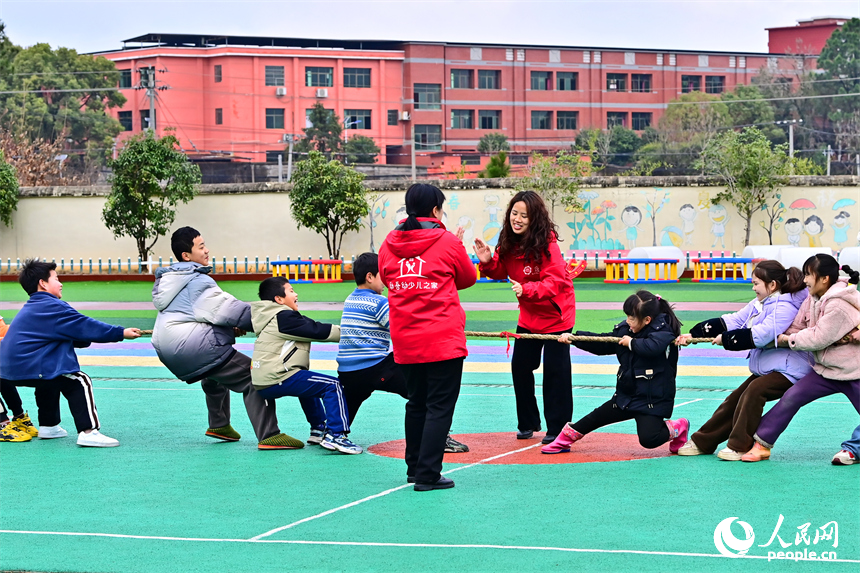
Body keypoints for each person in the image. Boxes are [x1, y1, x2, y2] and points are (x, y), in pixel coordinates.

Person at [151, 227, 293, 450]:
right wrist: (276, 316)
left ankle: (219, 424)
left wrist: (229, 328)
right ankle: (270, 435)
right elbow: (231, 311)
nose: (207, 250)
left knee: (214, 372)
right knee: (254, 375)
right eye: (201, 247)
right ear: (186, 256)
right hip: (191, 348)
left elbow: (200, 316)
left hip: (169, 349)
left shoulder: (172, 281)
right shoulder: (197, 282)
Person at [378, 183, 477, 491]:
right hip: (442, 338)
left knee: (417, 403)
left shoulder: (389, 243)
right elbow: (467, 278)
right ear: (436, 210)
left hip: (406, 339)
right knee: (439, 407)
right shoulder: (446, 241)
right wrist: (454, 251)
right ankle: (428, 473)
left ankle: (414, 466)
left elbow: (386, 277)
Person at [675, 261, 811, 460]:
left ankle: (739, 445)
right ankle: (703, 441)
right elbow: (735, 320)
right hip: (772, 366)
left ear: (772, 285)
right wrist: (694, 334)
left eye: (756, 283)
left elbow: (763, 334)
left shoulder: (786, 306)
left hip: (791, 369)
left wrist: (726, 340)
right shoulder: (761, 302)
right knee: (734, 399)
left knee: (754, 392)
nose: (753, 287)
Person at [336, 252, 469, 453]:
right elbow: (399, 329)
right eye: (384, 275)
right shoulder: (379, 302)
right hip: (373, 367)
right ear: (370, 277)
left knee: (353, 396)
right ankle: (438, 438)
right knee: (423, 393)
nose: (387, 281)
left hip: (347, 370)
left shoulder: (350, 299)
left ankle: (334, 432)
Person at [0, 259, 141, 447]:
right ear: (43, 283)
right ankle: (88, 431)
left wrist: (83, 339)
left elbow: (73, 334)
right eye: (56, 279)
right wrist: (120, 333)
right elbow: (84, 325)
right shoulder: (53, 306)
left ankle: (49, 426)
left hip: (8, 373)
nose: (61, 283)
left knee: (50, 378)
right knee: (79, 381)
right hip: (27, 366)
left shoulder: (32, 307)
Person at [473, 190, 576, 445]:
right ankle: (528, 422)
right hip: (530, 316)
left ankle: (558, 428)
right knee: (520, 366)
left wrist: (527, 289)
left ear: (535, 219)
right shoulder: (507, 241)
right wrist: (486, 262)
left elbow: (555, 281)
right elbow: (500, 269)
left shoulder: (548, 244)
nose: (516, 219)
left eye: (524, 216)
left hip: (556, 315)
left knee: (556, 372)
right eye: (514, 213)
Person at [542, 290, 689, 455]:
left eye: (632, 317)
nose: (627, 321)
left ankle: (678, 427)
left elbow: (652, 348)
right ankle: (564, 440)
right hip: (626, 395)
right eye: (627, 316)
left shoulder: (664, 332)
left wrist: (631, 343)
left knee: (649, 439)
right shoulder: (626, 329)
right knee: (595, 418)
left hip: (652, 400)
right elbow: (604, 343)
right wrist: (575, 339)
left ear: (647, 319)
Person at [743, 257, 860, 462]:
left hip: (854, 370)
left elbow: (818, 337)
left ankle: (853, 449)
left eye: (808, 274)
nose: (804, 279)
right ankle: (762, 444)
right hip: (827, 369)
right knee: (792, 397)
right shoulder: (812, 298)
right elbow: (799, 326)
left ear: (824, 278)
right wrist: (775, 337)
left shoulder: (838, 304)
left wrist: (788, 339)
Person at [250, 276, 361, 454]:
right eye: (291, 290)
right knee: (333, 386)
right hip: (278, 376)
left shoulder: (272, 316)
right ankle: (336, 435)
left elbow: (309, 324)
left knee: (307, 382)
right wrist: (354, 333)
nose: (296, 294)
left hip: (264, 379)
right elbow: (318, 331)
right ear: (279, 299)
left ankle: (318, 429)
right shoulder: (284, 317)